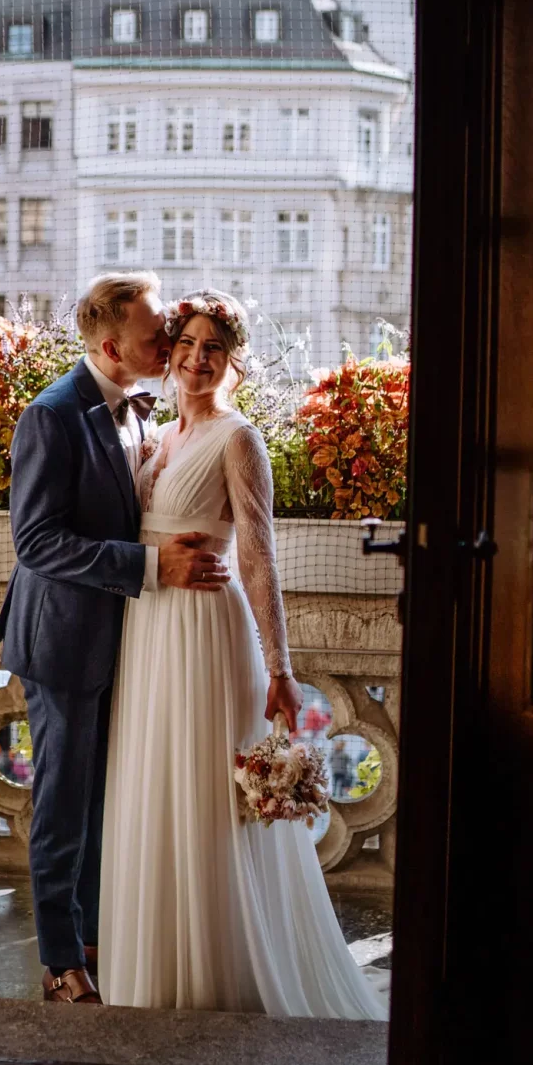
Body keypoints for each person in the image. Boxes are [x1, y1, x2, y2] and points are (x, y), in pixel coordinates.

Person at [99, 290, 387, 1019]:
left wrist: (281, 669)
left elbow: (258, 557)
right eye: (187, 344)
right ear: (171, 352)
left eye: (213, 348)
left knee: (209, 795)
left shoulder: (238, 438)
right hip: (151, 630)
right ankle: (158, 966)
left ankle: (218, 970)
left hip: (207, 634)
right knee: (159, 784)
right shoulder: (159, 435)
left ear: (233, 361)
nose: (197, 359)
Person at [0, 271, 230, 1006]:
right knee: (63, 805)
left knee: (101, 798)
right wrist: (153, 564)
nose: (168, 340)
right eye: (156, 333)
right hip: (61, 642)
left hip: (123, 634)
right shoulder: (52, 415)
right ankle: (61, 962)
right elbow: (36, 543)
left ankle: (92, 935)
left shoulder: (136, 409)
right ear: (108, 344)